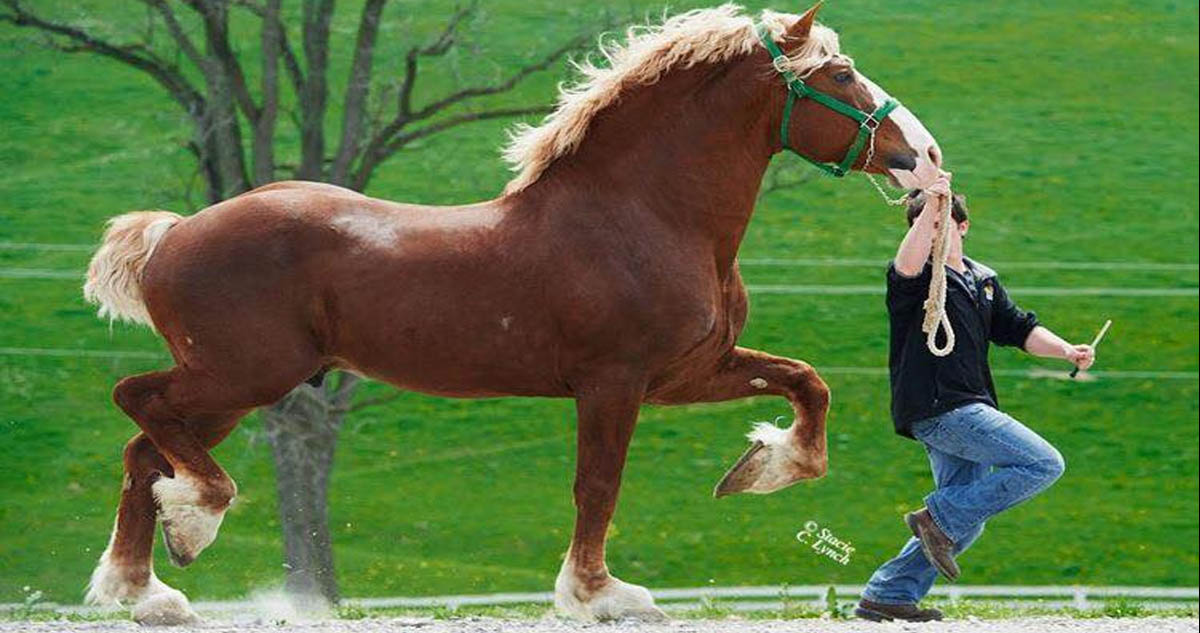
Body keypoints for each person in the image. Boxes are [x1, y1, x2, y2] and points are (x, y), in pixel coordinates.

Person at [854, 174, 1096, 623]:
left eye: (945, 222)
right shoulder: (916, 279)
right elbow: (905, 261)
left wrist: (1067, 350)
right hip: (941, 406)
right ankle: (936, 517)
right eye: (926, 227)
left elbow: (1018, 329)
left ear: (963, 227)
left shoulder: (983, 280)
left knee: (965, 520)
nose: (935, 232)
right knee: (1043, 464)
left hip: (967, 406)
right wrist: (932, 204)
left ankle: (887, 594)